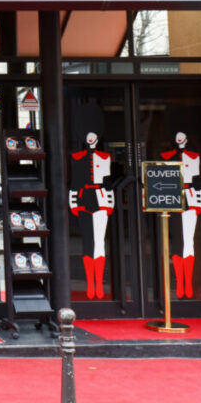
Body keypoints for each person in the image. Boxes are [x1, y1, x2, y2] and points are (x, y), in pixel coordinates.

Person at [68, 103, 114, 300]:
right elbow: (74, 184)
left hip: (101, 200)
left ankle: (100, 284)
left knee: (100, 244)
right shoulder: (76, 158)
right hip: (84, 201)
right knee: (88, 243)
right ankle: (90, 284)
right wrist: (74, 203)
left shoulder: (105, 157)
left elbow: (108, 183)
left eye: (93, 132)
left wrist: (109, 203)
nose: (90, 136)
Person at [161, 108, 201, 299]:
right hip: (173, 199)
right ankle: (179, 285)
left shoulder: (194, 157)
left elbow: (197, 181)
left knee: (189, 243)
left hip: (190, 198)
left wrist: (198, 203)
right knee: (177, 243)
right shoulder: (166, 157)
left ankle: (189, 286)